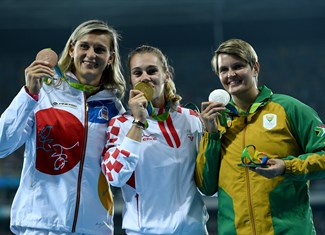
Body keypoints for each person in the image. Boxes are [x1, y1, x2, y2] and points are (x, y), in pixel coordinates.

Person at [0, 19, 126, 234]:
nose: (91, 54)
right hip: (40, 224)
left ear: (110, 58)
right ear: (71, 48)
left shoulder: (115, 108)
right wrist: (28, 94)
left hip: (94, 227)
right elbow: (2, 144)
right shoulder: (43, 93)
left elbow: (121, 172)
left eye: (100, 49)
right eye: (84, 46)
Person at [195, 38, 325, 235]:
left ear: (255, 68)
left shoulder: (290, 109)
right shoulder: (217, 121)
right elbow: (206, 185)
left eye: (238, 66)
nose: (231, 74)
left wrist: (286, 167)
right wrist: (211, 134)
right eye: (223, 70)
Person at [101, 45, 209, 235]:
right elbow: (114, 177)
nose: (145, 77)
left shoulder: (191, 119)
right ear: (132, 80)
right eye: (137, 73)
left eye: (152, 71)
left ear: (166, 75)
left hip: (194, 230)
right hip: (145, 231)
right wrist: (139, 123)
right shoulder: (121, 124)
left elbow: (207, 177)